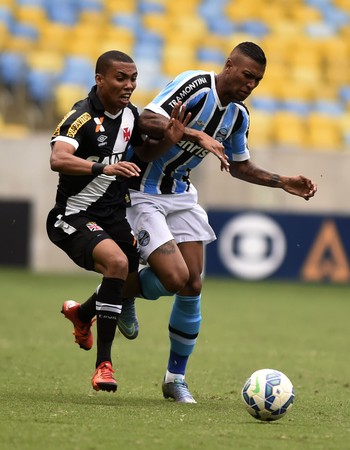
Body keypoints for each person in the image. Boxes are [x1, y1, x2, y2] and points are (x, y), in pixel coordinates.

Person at [125, 41, 317, 403]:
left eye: (257, 81)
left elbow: (240, 165)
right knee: (173, 277)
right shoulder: (196, 85)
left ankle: (174, 379)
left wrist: (283, 182)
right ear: (229, 65)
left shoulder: (240, 116)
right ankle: (115, 294)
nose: (250, 85)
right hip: (144, 190)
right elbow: (144, 118)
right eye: (247, 75)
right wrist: (194, 133)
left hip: (180, 193)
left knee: (192, 284)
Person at [46, 50, 192, 393]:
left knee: (124, 276)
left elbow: (140, 155)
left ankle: (83, 314)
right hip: (73, 215)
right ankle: (104, 367)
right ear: (100, 79)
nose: (129, 85)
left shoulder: (129, 115)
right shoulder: (80, 117)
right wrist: (103, 167)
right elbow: (58, 158)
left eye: (133, 78)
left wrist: (170, 139)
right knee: (116, 262)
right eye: (120, 78)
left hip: (113, 214)